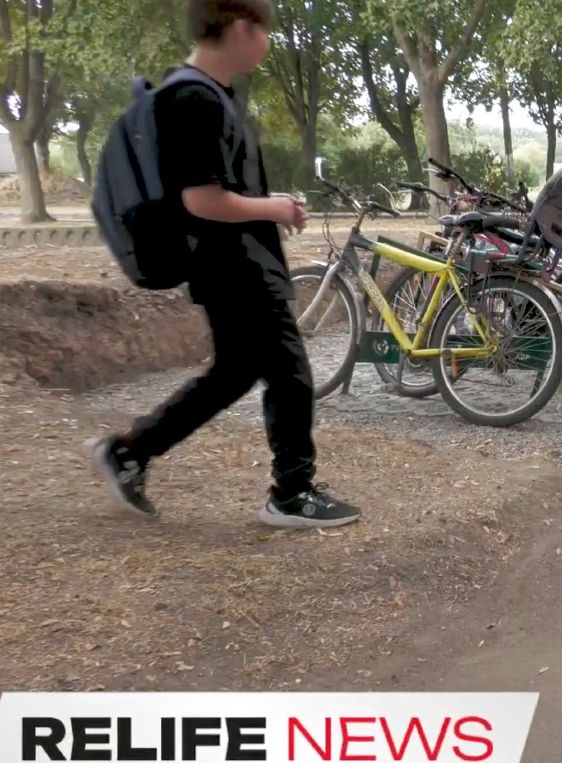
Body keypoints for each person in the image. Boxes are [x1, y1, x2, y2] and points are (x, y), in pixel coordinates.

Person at [87, 0, 360, 528]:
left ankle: (130, 452)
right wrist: (274, 208)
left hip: (231, 263)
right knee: (290, 373)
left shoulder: (205, 94)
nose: (267, 43)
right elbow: (200, 200)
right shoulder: (193, 98)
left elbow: (218, 189)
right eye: (264, 32)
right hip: (235, 266)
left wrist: (268, 203)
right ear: (241, 29)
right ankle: (292, 492)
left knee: (232, 376)